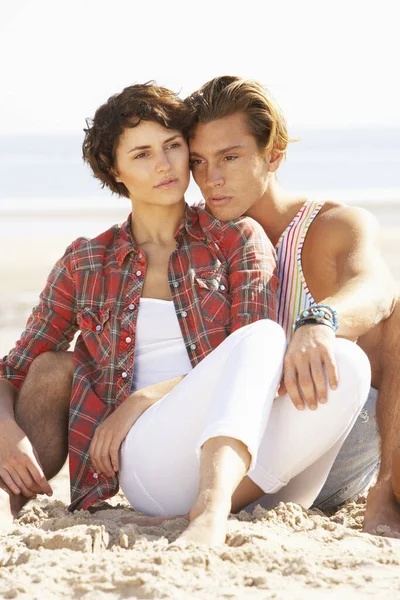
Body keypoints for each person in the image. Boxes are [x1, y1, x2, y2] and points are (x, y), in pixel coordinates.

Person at [0, 83, 370, 546]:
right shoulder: (86, 261)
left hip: (247, 461)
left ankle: (223, 503)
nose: (163, 164)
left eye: (173, 147)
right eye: (141, 154)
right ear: (115, 172)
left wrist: (141, 398)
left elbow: (253, 359)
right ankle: (206, 510)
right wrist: (6, 431)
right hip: (150, 462)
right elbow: (13, 370)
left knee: (347, 362)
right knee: (52, 364)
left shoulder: (235, 238)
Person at [185, 75, 400, 536]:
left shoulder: (331, 226)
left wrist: (317, 322)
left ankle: (388, 492)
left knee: (397, 313)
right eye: (199, 161)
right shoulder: (194, 238)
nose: (211, 178)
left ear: (274, 155)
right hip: (218, 453)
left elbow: (375, 286)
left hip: (322, 442)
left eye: (230, 157)